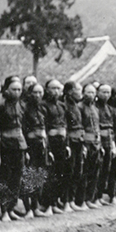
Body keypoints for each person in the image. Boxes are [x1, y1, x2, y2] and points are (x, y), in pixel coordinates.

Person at [0, 76, 27, 222]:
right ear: (7, 90)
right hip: (5, 145)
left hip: (19, 145)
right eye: (14, 89)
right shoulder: (1, 105)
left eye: (19, 89)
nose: (17, 92)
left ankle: (11, 208)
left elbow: (24, 127)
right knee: (5, 177)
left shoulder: (21, 105)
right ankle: (3, 211)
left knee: (17, 178)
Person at [22, 82, 49, 218]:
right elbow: (23, 130)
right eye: (35, 93)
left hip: (41, 145)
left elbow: (46, 129)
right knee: (29, 176)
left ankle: (36, 206)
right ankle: (28, 209)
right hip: (30, 145)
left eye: (40, 92)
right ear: (29, 94)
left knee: (39, 176)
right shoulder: (25, 109)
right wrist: (25, 149)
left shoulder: (42, 109)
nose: (38, 95)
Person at [42, 79, 67, 214]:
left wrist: (67, 144)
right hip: (50, 142)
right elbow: (44, 127)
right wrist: (48, 149)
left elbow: (65, 124)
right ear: (47, 90)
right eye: (53, 88)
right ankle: (48, 204)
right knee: (49, 174)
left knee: (60, 172)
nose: (56, 91)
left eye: (58, 88)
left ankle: (56, 201)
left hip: (62, 142)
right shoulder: (43, 105)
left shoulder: (62, 106)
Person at [63, 80, 86, 211]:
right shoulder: (64, 106)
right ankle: (66, 201)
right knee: (68, 171)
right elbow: (65, 126)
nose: (80, 94)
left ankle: (71, 200)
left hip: (79, 141)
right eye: (78, 90)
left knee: (77, 171)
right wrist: (66, 144)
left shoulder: (77, 106)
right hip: (70, 142)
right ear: (70, 92)